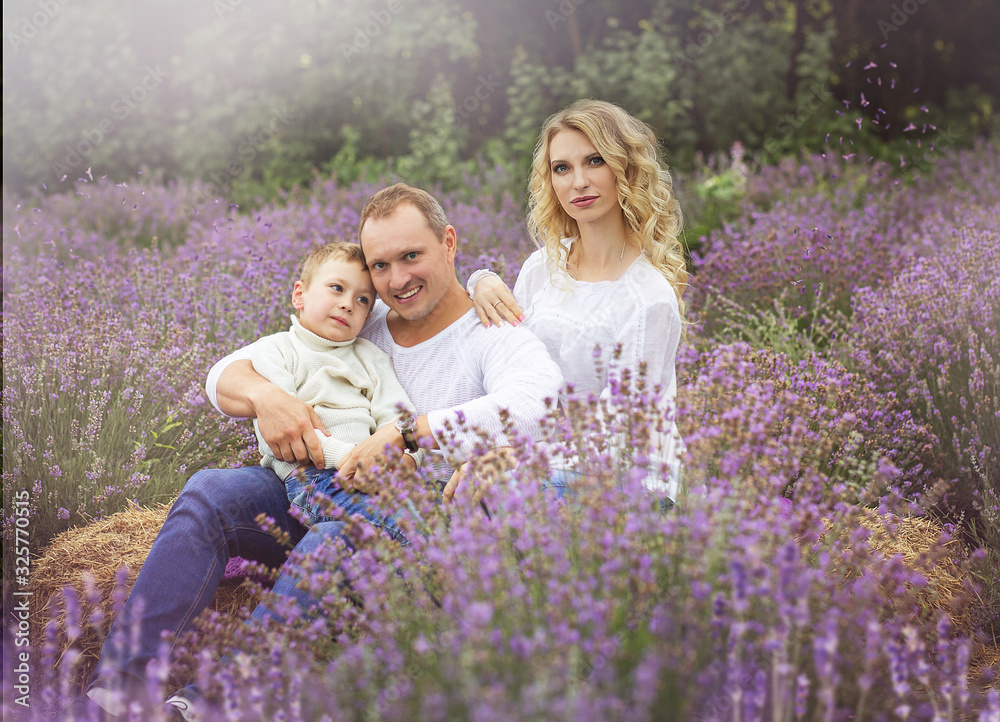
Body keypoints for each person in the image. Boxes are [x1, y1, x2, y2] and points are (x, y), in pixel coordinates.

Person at [85, 184, 563, 719]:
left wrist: (408, 433)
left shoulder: (490, 330)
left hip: (403, 515)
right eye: (380, 266)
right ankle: (119, 691)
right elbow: (225, 374)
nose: (396, 280)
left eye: (412, 256)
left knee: (338, 537)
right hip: (317, 478)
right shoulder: (365, 319)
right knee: (210, 491)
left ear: (449, 242)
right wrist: (268, 396)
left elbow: (538, 403)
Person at [466, 99, 688, 499]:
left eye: (595, 161)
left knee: (495, 492)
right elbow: (510, 367)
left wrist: (515, 458)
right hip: (545, 462)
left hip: (629, 480)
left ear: (626, 169)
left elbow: (618, 434)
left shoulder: (647, 298)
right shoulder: (542, 268)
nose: (578, 182)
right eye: (562, 168)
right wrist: (478, 281)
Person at [249, 240, 422, 527]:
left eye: (362, 299)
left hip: (369, 473)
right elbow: (279, 430)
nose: (347, 304)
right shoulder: (276, 350)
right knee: (407, 528)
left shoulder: (369, 357)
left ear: (368, 316)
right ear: (299, 295)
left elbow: (397, 416)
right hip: (312, 476)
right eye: (337, 288)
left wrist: (405, 459)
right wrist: (351, 458)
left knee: (435, 513)